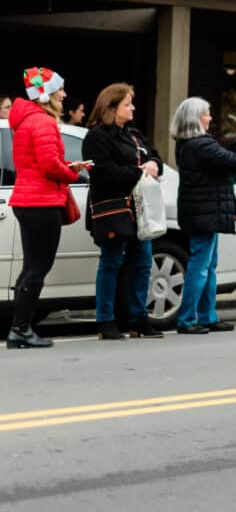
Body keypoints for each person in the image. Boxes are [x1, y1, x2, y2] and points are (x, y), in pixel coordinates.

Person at [173, 97, 236, 334]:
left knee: (208, 265)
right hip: (204, 212)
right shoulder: (200, 144)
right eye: (207, 113)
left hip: (199, 210)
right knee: (201, 266)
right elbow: (234, 162)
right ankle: (188, 318)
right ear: (196, 118)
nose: (210, 117)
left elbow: (219, 157)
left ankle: (207, 316)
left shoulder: (189, 143)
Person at [6, 68, 85, 349]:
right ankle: (21, 329)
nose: (64, 95)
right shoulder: (43, 122)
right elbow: (50, 165)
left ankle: (19, 327)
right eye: (60, 89)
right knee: (39, 267)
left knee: (30, 266)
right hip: (42, 202)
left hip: (27, 200)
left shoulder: (25, 121)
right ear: (46, 94)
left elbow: (38, 162)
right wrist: (74, 172)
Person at [82, 83, 163, 339]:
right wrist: (139, 171)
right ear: (112, 107)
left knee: (142, 263)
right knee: (111, 262)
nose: (133, 108)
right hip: (114, 209)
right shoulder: (97, 137)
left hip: (141, 209)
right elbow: (104, 174)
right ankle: (105, 319)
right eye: (127, 104)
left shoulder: (134, 134)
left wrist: (153, 163)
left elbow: (155, 157)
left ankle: (138, 317)